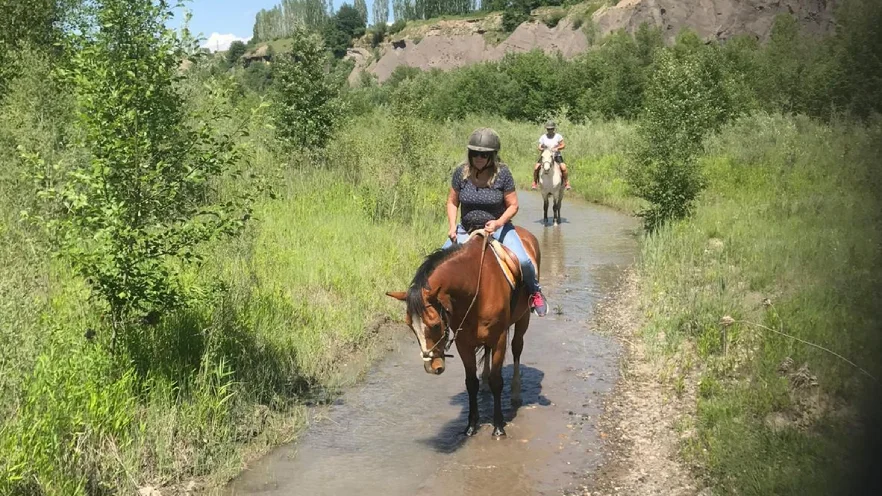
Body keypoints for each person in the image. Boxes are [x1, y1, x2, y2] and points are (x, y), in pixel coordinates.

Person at [443, 128, 548, 317]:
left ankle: (535, 292)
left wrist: (498, 223)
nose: (479, 158)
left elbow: (513, 205)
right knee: (439, 262)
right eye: (475, 153)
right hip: (466, 229)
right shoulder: (461, 173)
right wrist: (452, 226)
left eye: (484, 154)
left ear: (492, 155)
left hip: (498, 229)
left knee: (523, 261)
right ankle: (437, 306)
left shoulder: (503, 174)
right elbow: (452, 202)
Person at [531, 120, 570, 190]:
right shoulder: (543, 137)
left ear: (554, 129)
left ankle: (566, 182)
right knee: (536, 168)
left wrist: (557, 148)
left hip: (556, 155)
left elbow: (563, 145)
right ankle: (534, 182)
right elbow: (539, 146)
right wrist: (542, 148)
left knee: (563, 167)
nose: (550, 130)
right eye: (548, 129)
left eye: (551, 129)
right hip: (546, 155)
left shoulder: (558, 136)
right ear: (546, 129)